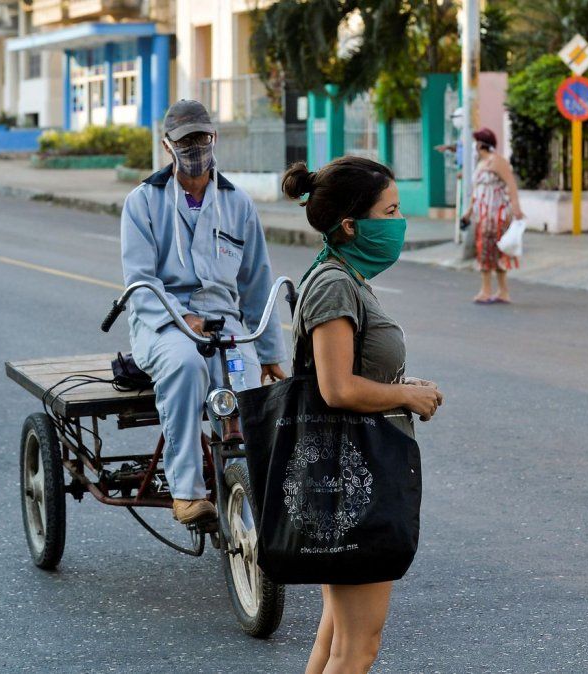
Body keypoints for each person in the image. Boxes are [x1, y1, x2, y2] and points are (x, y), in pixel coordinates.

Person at [280, 157, 444, 674]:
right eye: (390, 211)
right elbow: (336, 388)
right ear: (351, 224)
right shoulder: (333, 284)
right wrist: (404, 398)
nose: (399, 222)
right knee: (358, 648)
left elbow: (353, 372)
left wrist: (400, 385)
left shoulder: (346, 276)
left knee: (334, 641)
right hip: (354, 481)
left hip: (351, 475)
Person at [121, 99, 287, 525]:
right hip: (163, 322)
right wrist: (181, 318)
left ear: (215, 138)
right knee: (185, 365)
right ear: (167, 146)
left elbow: (256, 282)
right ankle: (188, 494)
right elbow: (140, 282)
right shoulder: (143, 202)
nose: (195, 148)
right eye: (185, 141)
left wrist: (270, 353)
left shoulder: (238, 204)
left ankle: (254, 511)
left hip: (224, 323)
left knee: (249, 393)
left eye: (202, 138)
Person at [463, 127, 524, 304]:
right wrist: (469, 211)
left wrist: (516, 210)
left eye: (477, 142)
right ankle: (499, 291)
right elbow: (477, 191)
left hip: (496, 215)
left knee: (492, 251)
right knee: (487, 251)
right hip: (482, 216)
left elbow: (511, 184)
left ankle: (488, 290)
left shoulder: (497, 162)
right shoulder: (481, 163)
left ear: (482, 144)